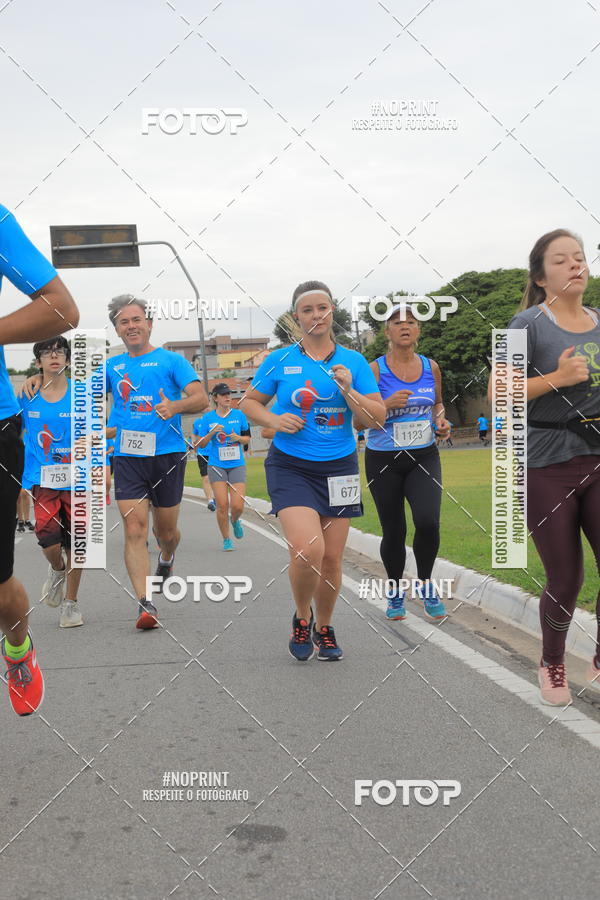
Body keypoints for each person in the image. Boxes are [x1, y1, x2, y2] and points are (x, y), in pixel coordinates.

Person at [242, 280, 385, 661]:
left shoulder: (354, 362)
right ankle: (302, 617)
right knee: (308, 550)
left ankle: (325, 627)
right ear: (296, 318)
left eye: (323, 308)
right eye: (308, 310)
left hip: (340, 468)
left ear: (332, 312)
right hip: (291, 466)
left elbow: (376, 418)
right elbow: (249, 403)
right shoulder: (280, 360)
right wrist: (274, 418)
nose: (316, 315)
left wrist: (349, 390)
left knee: (333, 558)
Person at [501, 228, 600, 706]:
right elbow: (501, 392)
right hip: (546, 464)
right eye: (561, 260)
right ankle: (552, 661)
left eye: (579, 257)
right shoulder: (526, 324)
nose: (575, 265)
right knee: (566, 577)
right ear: (541, 277)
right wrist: (557, 378)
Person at [0, 203, 79, 715]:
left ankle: (17, 648)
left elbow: (60, 308)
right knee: (50, 542)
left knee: (2, 587)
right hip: (41, 477)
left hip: (4, 433)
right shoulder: (31, 390)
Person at [105, 295, 208, 628]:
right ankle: (145, 602)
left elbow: (201, 399)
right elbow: (78, 396)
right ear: (117, 330)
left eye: (136, 320)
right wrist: (41, 379)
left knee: (166, 531)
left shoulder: (172, 360)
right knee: (134, 528)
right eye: (124, 322)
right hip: (127, 457)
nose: (131, 326)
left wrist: (175, 407)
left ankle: (167, 555)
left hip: (167, 455)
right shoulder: (111, 367)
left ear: (149, 324)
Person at [365, 303, 450, 622]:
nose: (405, 326)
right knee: (394, 530)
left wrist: (442, 421)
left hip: (423, 456)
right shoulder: (374, 370)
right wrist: (385, 405)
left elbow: (437, 404)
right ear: (387, 331)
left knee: (428, 522)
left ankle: (426, 584)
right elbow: (359, 420)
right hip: (383, 459)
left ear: (418, 330)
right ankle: (395, 591)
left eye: (411, 322)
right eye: (397, 322)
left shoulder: (431, 367)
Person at [19, 337, 84, 628]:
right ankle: (57, 569)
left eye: (60, 351)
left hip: (78, 478)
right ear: (38, 362)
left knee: (78, 543)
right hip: (42, 479)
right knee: (48, 540)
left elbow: (98, 431)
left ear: (68, 359)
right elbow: (12, 432)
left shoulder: (82, 394)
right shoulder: (27, 395)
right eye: (47, 352)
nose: (54, 356)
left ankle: (71, 605)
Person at [194, 384, 249, 551]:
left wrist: (238, 438)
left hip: (237, 464)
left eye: (229, 394)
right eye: (224, 394)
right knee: (222, 505)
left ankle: (235, 520)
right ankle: (226, 539)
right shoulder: (208, 418)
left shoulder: (239, 415)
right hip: (216, 465)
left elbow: (247, 439)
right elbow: (201, 444)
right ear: (215, 398)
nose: (228, 397)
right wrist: (211, 433)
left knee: (238, 506)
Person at [191, 419, 216, 512]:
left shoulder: (216, 419)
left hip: (215, 453)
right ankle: (210, 501)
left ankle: (215, 496)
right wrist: (193, 442)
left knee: (216, 477)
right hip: (202, 454)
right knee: (206, 477)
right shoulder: (197, 422)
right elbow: (194, 434)